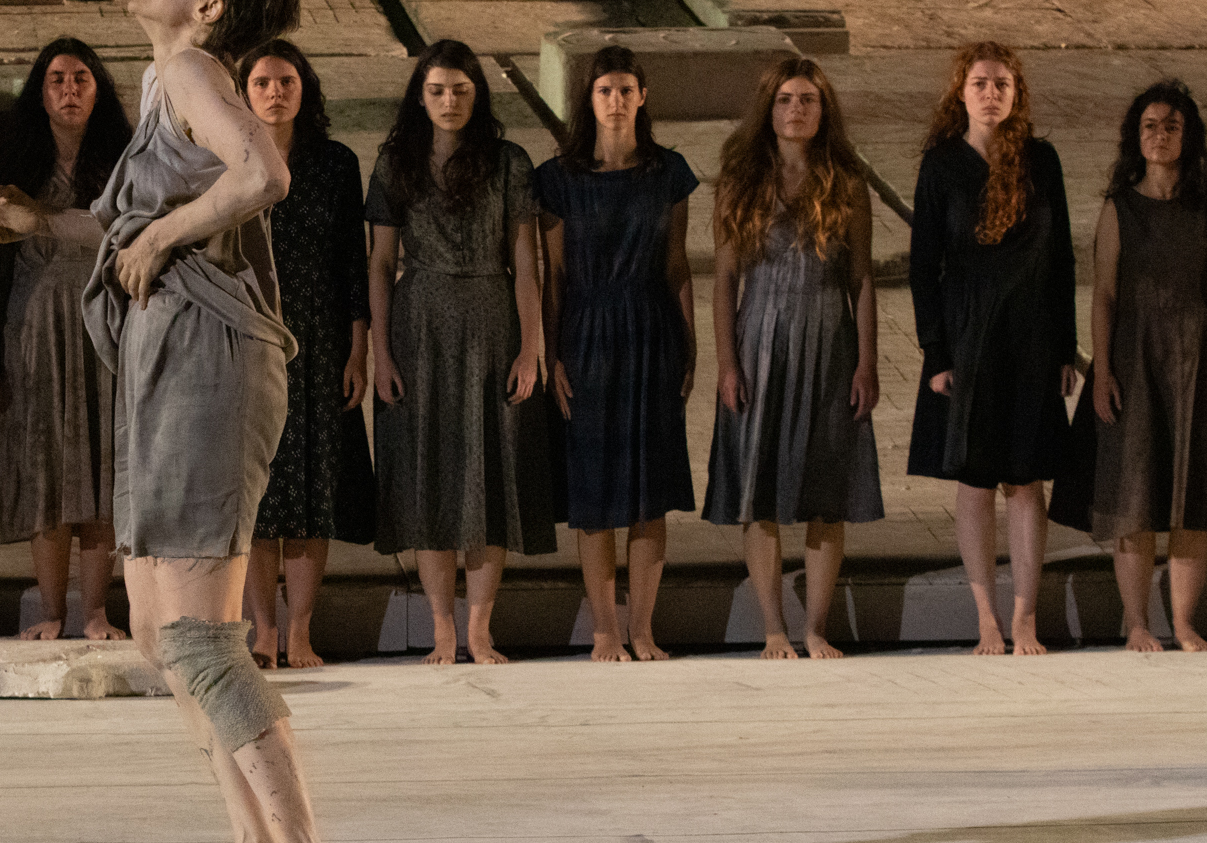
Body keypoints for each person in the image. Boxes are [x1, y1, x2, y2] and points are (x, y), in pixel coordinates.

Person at [0, 0, 343, 843]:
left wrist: (164, 234)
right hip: (166, 361)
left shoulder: (198, 72)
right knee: (160, 634)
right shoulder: (168, 80)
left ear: (208, 7)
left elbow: (265, 174)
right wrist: (39, 222)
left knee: (202, 636)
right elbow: (123, 225)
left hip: (212, 360)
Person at [367, 39, 552, 666]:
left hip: (492, 322)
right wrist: (381, 353)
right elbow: (381, 262)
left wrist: (531, 347)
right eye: (438, 90)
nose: (450, 101)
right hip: (419, 326)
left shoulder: (508, 162)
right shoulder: (396, 162)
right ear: (420, 97)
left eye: (461, 90)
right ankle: (441, 627)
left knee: (490, 471)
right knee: (429, 476)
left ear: (478, 94)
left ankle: (479, 628)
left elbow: (525, 259)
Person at [703, 58, 882, 659]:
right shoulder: (742, 180)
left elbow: (861, 278)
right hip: (760, 340)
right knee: (759, 488)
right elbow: (724, 280)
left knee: (826, 489)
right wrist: (727, 364)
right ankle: (774, 628)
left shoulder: (847, 182)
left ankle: (816, 628)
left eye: (807, 99)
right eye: (785, 99)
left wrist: (867, 361)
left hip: (829, 338)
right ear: (769, 108)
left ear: (823, 109)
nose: (796, 110)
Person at [1049, 81, 1207, 653]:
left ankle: (1184, 622)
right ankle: (1136, 622)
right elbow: (1103, 294)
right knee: (1134, 496)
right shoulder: (1119, 207)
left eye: (1171, 126)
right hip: (1134, 359)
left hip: (1197, 359)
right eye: (1150, 126)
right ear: (1136, 135)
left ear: (1188, 136)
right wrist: (1102, 369)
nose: (1160, 135)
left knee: (1189, 501)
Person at [907, 42, 1077, 657]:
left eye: (1001, 83)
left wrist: (1066, 347)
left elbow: (1061, 259)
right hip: (968, 339)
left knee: (1025, 481)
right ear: (961, 92)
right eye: (980, 83)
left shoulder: (1041, 159)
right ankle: (986, 618)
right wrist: (936, 353)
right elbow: (923, 266)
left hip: (1030, 338)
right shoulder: (942, 165)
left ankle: (1025, 618)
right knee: (976, 480)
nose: (990, 93)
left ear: (1016, 93)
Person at [536, 44, 697, 663]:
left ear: (642, 97)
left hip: (651, 330)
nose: (616, 100)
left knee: (649, 489)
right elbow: (554, 276)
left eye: (626, 90)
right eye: (605, 90)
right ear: (591, 98)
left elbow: (677, 265)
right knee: (595, 488)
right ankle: (605, 628)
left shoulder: (668, 172)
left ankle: (643, 628)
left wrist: (689, 344)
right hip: (587, 334)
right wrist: (552, 353)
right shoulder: (559, 179)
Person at [0, 37, 131, 641]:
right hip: (35, 330)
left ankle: (95, 612)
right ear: (39, 95)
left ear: (98, 90)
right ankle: (50, 612)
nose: (69, 90)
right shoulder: (17, 170)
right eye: (57, 80)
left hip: (104, 326)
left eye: (81, 79)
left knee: (101, 466)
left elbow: (128, 235)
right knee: (45, 466)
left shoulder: (124, 163)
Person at [238, 39, 376, 669]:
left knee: (313, 489)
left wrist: (357, 349)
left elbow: (352, 261)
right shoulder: (229, 159)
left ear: (304, 88)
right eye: (262, 83)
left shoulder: (335, 163)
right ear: (243, 94)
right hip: (251, 335)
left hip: (319, 340)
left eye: (286, 81)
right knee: (259, 492)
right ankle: (262, 631)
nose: (275, 93)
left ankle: (300, 631)